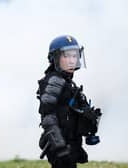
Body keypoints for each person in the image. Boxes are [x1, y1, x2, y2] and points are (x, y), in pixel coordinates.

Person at [36, 35, 102, 168]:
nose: (72, 60)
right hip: (61, 145)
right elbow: (48, 118)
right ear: (54, 58)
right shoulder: (54, 81)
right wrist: (60, 147)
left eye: (74, 56)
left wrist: (88, 116)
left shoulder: (68, 82)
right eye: (66, 56)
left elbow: (69, 112)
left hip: (70, 143)